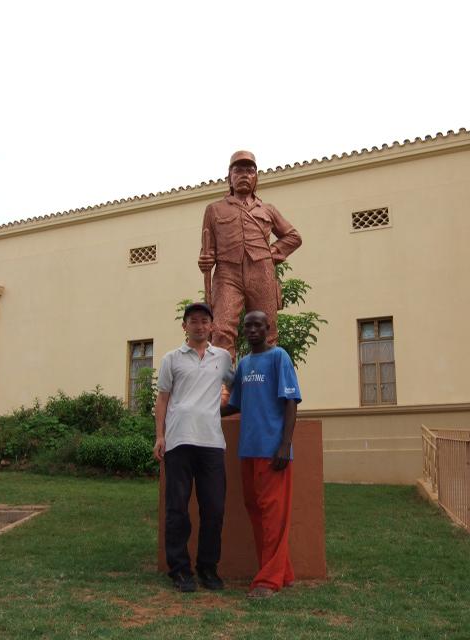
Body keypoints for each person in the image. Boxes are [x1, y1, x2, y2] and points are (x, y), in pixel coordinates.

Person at [153, 302, 233, 592]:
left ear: (211, 326)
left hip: (212, 443)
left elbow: (234, 385)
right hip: (179, 441)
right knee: (177, 508)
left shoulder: (222, 357)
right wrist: (160, 436)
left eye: (204, 321)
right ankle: (179, 569)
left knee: (214, 508)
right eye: (193, 321)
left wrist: (226, 401)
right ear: (184, 326)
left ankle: (207, 568)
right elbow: (162, 399)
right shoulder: (171, 359)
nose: (199, 326)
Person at [222, 310, 301, 598]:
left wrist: (285, 444)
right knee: (256, 512)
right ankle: (283, 572)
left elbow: (291, 402)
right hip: (248, 450)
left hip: (273, 451)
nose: (252, 329)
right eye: (248, 326)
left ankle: (268, 581)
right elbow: (235, 405)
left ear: (268, 328)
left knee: (274, 516)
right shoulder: (244, 364)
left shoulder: (279, 357)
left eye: (258, 325)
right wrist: (201, 409)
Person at [198, 150, 302, 362]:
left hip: (262, 272)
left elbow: (293, 237)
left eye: (249, 170)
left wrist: (271, 254)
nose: (244, 175)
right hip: (227, 274)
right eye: (238, 170)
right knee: (221, 330)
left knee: (266, 330)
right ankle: (223, 381)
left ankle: (265, 378)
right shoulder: (214, 209)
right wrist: (205, 260)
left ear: (256, 178)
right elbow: (207, 250)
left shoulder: (268, 210)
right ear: (229, 178)